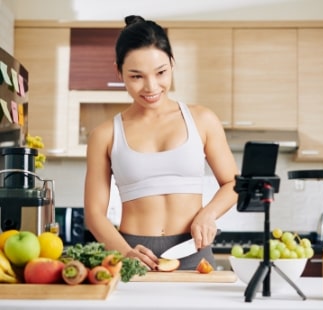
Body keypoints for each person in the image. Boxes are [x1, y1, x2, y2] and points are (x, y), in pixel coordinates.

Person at [83, 15, 239, 271]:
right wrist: (125, 252)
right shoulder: (105, 134)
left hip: (194, 250)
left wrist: (208, 214)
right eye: (136, 76)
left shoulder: (202, 119)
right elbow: (94, 215)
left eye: (161, 72)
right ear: (118, 72)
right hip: (134, 254)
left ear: (172, 64)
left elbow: (233, 183)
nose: (151, 86)